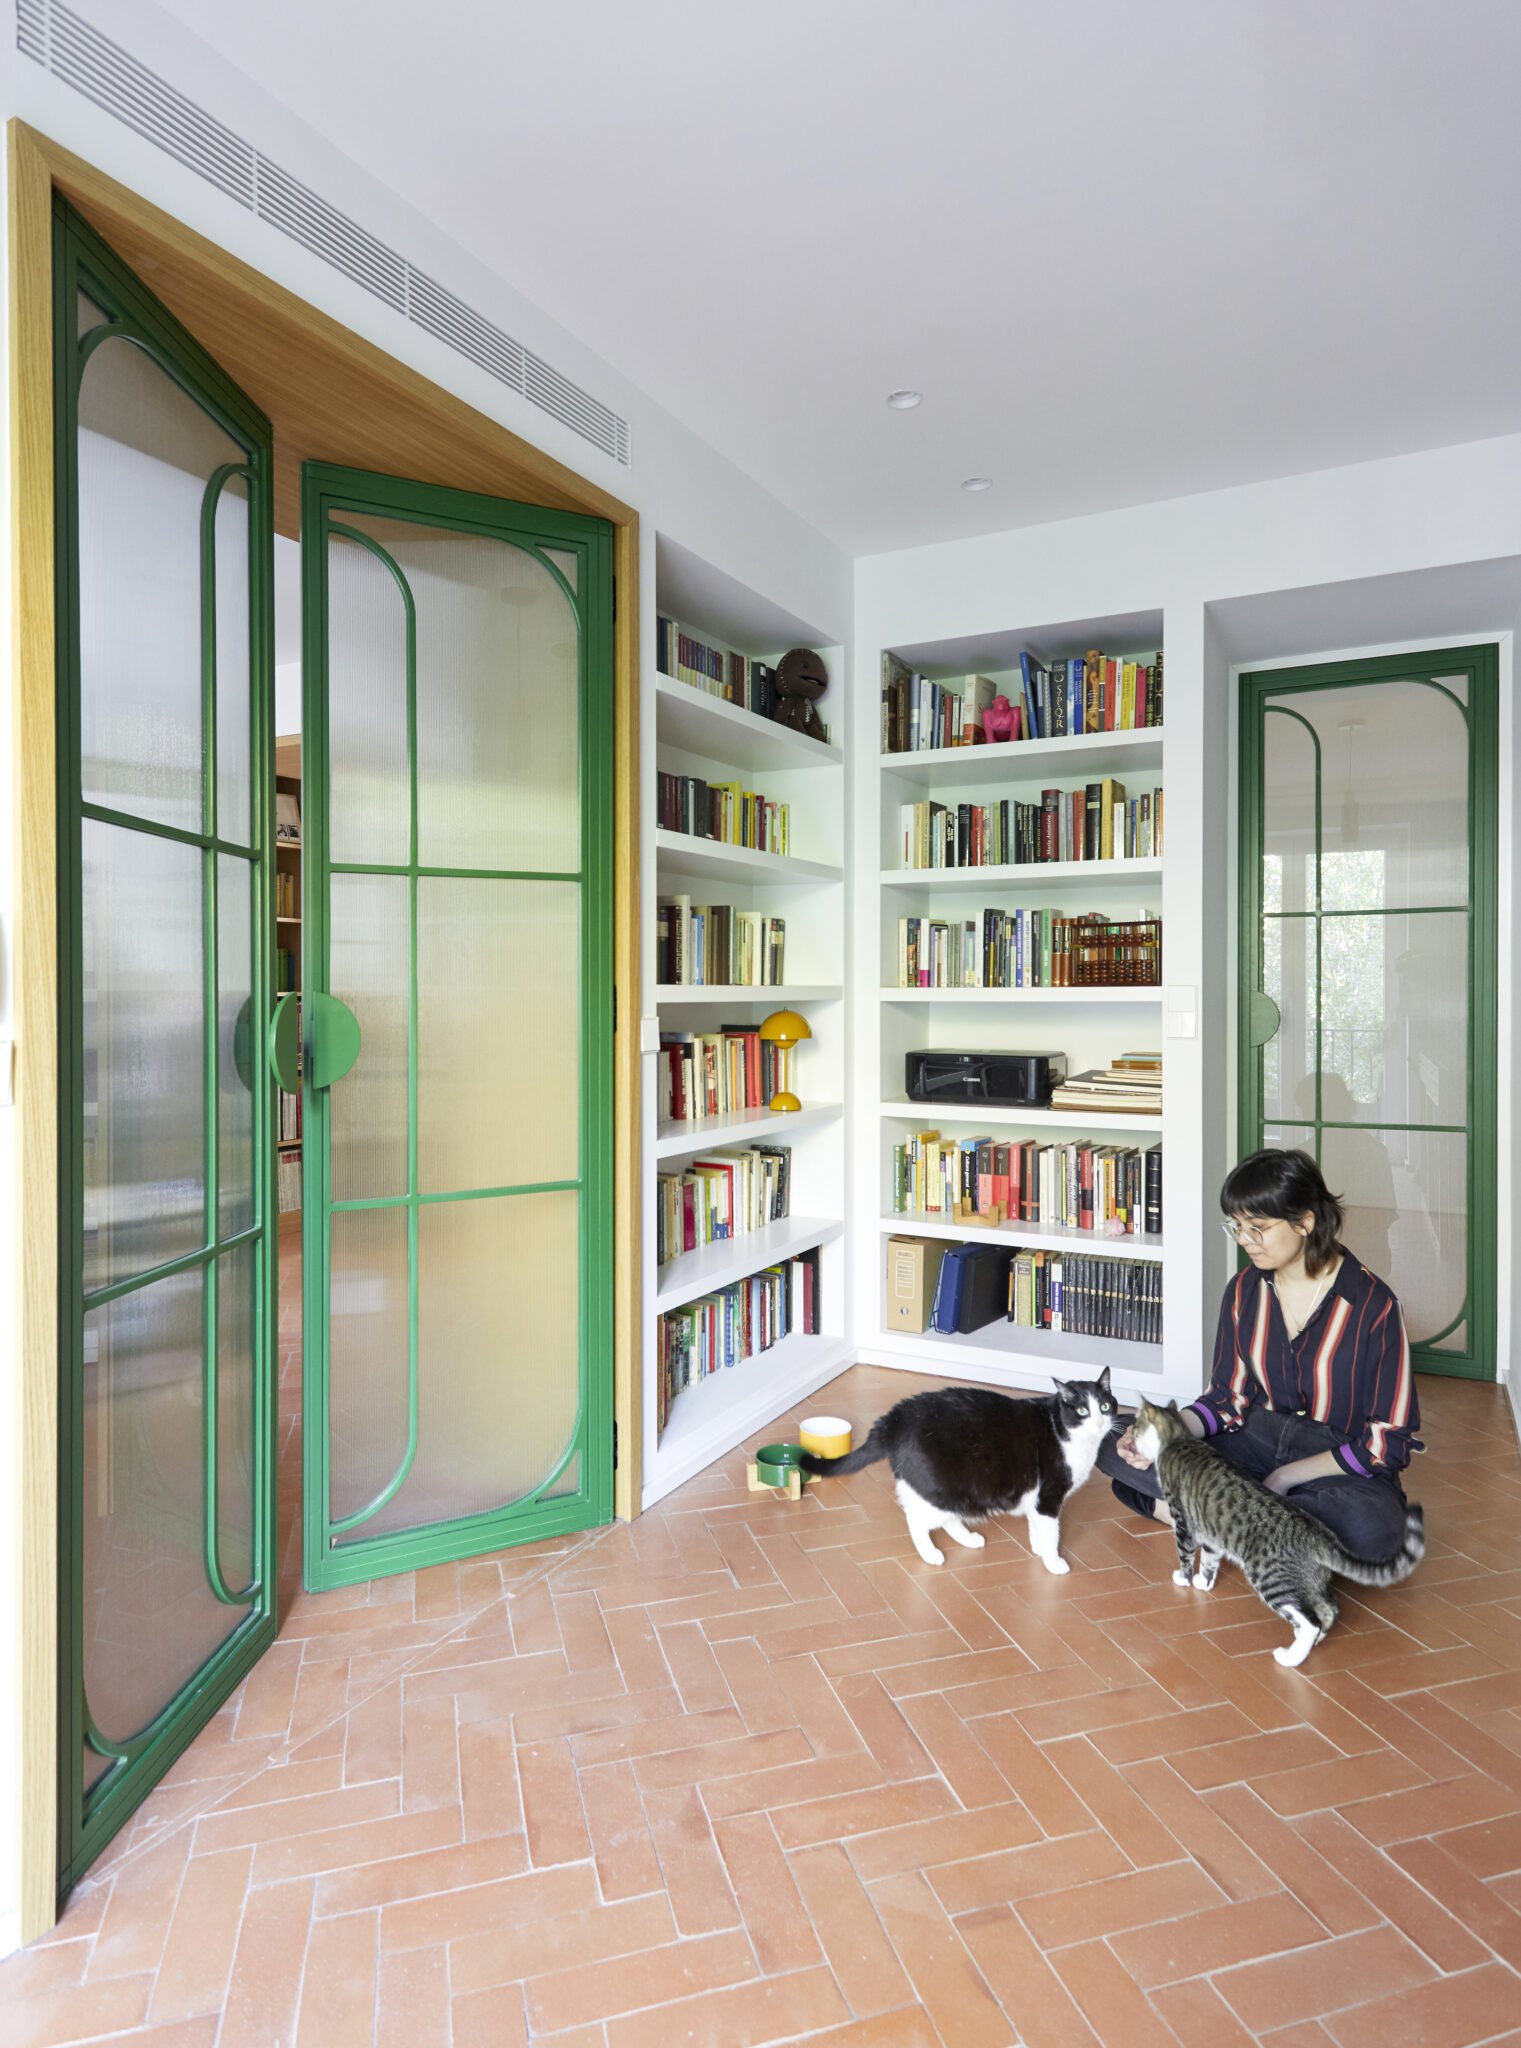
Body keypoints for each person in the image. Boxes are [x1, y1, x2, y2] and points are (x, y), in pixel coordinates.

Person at [1097, 1147, 1421, 1560]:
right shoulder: (1243, 1291)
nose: (1244, 1240)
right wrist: (1155, 1436)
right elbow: (1224, 1401)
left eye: (1257, 1227)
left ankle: (1212, 1520)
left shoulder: (1373, 1305)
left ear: (1305, 1221)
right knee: (1113, 1442)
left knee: (1376, 1530)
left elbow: (1386, 1443)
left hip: (1333, 1460)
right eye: (1236, 1227)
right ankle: (1275, 1535)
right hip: (1253, 1439)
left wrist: (1284, 1477)